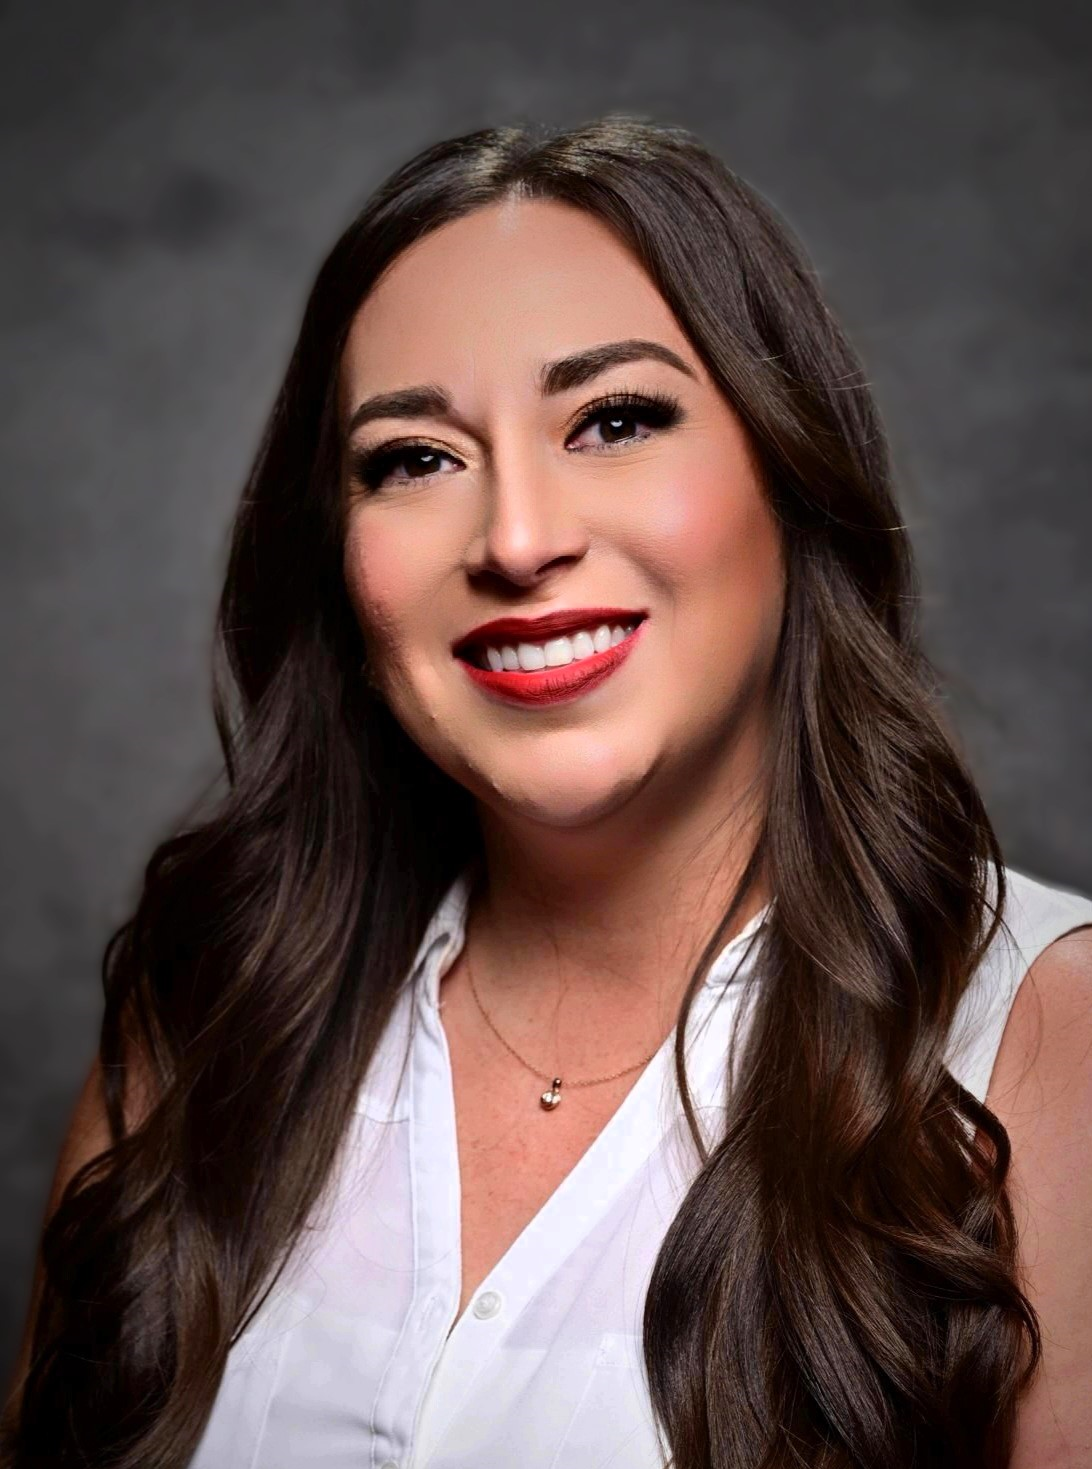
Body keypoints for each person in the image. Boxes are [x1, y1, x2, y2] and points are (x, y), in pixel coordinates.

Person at [3, 114, 1091, 1469]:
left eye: (615, 420)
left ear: (788, 465)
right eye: (414, 458)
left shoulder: (1049, 1038)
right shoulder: (207, 1018)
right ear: (338, 559)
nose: (518, 540)